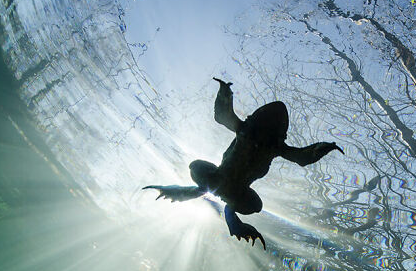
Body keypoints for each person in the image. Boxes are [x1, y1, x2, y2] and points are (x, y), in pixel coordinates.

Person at [144, 78, 343, 249]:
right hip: (221, 179)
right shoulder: (265, 140)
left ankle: (228, 214)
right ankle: (224, 210)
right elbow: (223, 116)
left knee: (254, 205)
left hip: (235, 189)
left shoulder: (264, 140)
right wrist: (224, 91)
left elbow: (303, 157)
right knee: (196, 167)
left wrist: (325, 147)